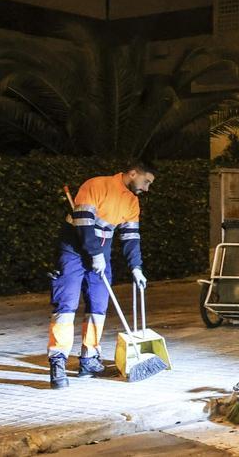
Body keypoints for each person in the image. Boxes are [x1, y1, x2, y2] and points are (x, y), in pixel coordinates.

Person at [48, 161, 155, 389]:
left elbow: (130, 237)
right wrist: (95, 253)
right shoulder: (96, 185)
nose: (146, 189)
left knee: (98, 304)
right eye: (146, 181)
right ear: (133, 173)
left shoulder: (132, 202)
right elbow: (84, 223)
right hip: (73, 249)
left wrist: (136, 267)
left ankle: (89, 359)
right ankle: (57, 362)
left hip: (100, 252)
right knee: (66, 304)